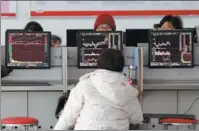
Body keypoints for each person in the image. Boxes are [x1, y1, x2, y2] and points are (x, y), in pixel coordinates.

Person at [54, 48, 143, 130]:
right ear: (121, 66)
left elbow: (67, 118)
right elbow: (137, 119)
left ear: (98, 63)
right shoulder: (127, 90)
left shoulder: (84, 84)